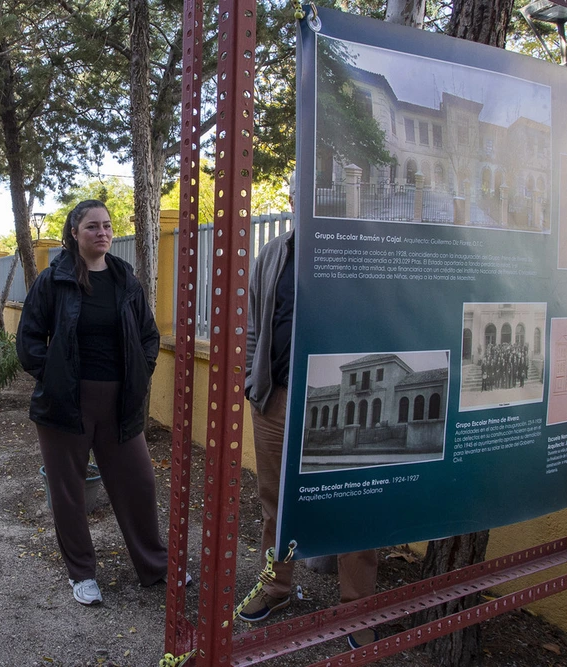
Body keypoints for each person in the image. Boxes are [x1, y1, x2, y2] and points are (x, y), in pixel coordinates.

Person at [241, 175, 378, 649]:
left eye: (322, 196)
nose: (312, 203)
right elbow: (255, 323)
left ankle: (356, 607)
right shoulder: (274, 252)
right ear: (295, 200)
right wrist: (250, 380)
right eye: (305, 195)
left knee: (353, 503)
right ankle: (276, 586)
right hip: (276, 398)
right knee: (274, 500)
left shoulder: (355, 255)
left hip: (344, 403)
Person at [17, 199, 167, 606]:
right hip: (66, 403)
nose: (102, 233)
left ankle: (154, 566)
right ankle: (81, 574)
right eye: (92, 227)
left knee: (138, 482)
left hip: (120, 402)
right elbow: (29, 340)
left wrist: (140, 371)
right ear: (74, 233)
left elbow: (148, 336)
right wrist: (56, 378)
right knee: (69, 491)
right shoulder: (54, 280)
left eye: (106, 226)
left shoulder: (125, 280)